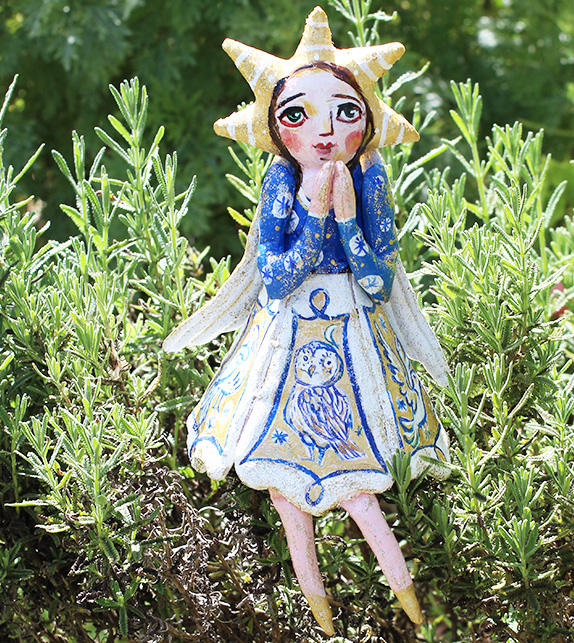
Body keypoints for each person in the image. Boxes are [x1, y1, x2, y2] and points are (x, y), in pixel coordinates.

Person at [164, 7, 450, 636]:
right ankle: (320, 609)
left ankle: (410, 603)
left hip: (353, 338)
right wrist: (317, 216)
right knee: (284, 492)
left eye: (345, 112)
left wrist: (348, 220)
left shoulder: (369, 177)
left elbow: (379, 282)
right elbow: (274, 277)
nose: (325, 131)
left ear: (368, 121)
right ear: (274, 127)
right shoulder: (281, 179)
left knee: (361, 494)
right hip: (287, 339)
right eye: (298, 115)